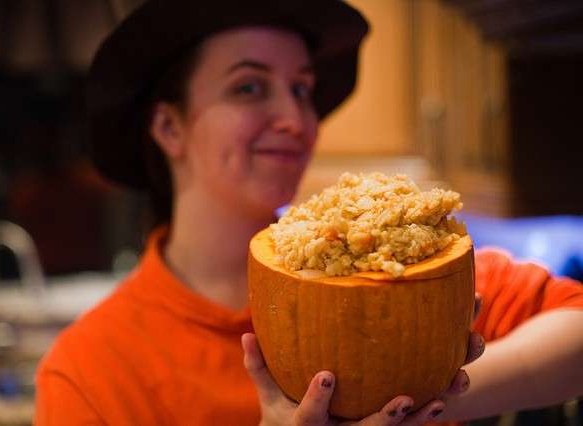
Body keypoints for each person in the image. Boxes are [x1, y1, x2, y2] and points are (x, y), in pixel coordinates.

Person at [34, 1, 583, 425]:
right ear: (169, 127)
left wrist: (433, 395)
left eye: (301, 89)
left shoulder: (391, 263)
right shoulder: (89, 372)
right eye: (249, 87)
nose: (296, 118)